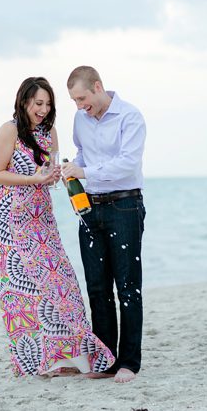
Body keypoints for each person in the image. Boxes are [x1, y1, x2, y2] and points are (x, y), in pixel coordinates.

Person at [0, 76, 116, 377]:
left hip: (42, 216)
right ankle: (39, 361)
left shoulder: (49, 132)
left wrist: (54, 175)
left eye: (48, 104)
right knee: (25, 291)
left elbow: (50, 171)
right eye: (38, 103)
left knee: (62, 283)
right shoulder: (8, 131)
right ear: (24, 102)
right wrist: (34, 178)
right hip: (11, 220)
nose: (44, 109)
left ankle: (72, 356)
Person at [61, 66, 146, 383]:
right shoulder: (80, 119)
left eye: (82, 98)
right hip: (89, 209)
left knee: (127, 287)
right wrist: (72, 167)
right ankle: (106, 360)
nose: (79, 105)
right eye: (74, 100)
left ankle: (129, 362)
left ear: (97, 87)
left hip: (125, 205)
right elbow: (84, 154)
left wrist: (86, 173)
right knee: (97, 288)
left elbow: (128, 163)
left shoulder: (130, 117)